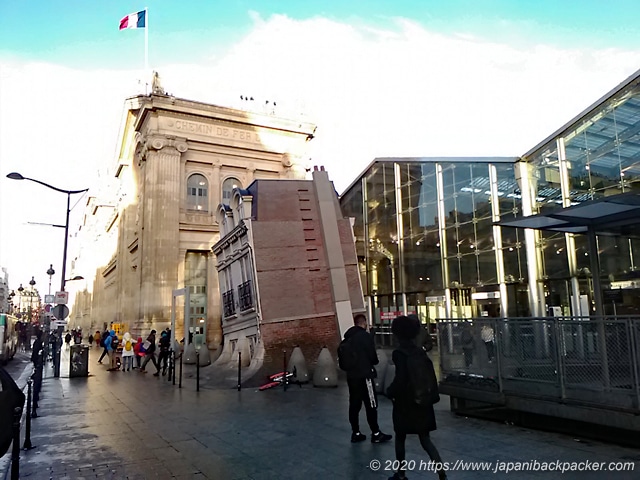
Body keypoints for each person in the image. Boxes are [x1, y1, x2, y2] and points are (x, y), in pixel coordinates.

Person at [386, 315, 447, 480]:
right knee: (425, 440)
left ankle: (401, 474)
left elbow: (401, 379)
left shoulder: (399, 353)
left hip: (405, 402)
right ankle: (441, 473)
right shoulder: (419, 352)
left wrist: (389, 392)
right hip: (422, 401)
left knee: (400, 437)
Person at [343, 314, 392, 444]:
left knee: (354, 404)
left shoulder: (347, 337)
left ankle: (356, 432)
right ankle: (375, 433)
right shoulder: (364, 336)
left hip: (351, 376)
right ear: (364, 323)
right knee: (371, 404)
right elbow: (373, 358)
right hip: (365, 375)